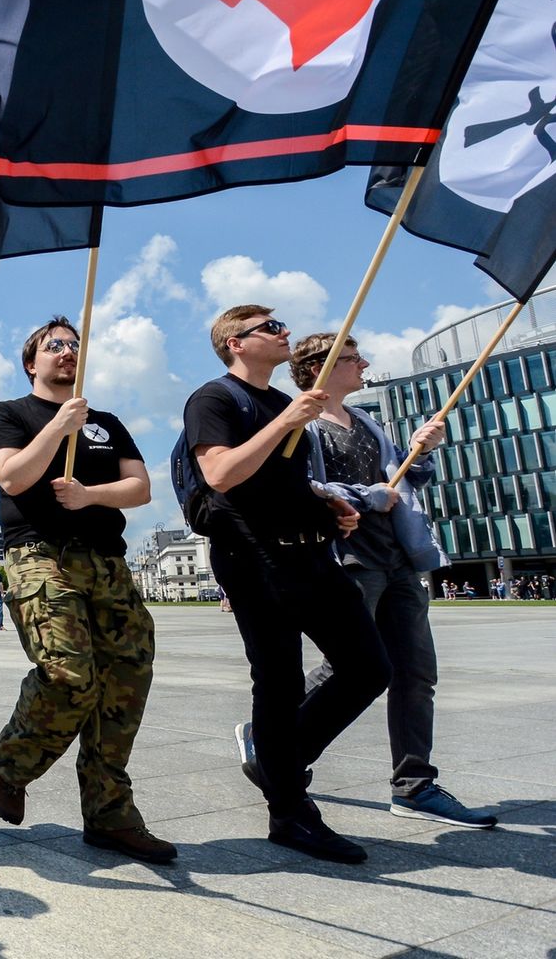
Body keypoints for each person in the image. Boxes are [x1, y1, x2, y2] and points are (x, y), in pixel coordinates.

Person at [184, 306, 390, 864]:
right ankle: (291, 812)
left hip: (312, 554)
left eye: (282, 326)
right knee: (276, 679)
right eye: (270, 329)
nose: (284, 334)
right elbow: (221, 473)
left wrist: (330, 506)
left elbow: (286, 483)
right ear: (235, 343)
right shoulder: (216, 399)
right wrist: (287, 423)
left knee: (371, 667)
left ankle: (276, 761)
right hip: (254, 559)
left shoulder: (283, 403)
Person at [0, 316, 173, 863]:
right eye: (54, 346)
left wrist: (90, 495)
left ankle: (110, 814)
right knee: (68, 675)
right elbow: (13, 477)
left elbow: (139, 488)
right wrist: (58, 428)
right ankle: (12, 764)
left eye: (74, 345)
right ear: (31, 362)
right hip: (41, 556)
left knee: (124, 681)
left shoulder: (106, 422)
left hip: (106, 561)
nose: (67, 352)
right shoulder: (10, 415)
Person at [292, 334, 496, 829]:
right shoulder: (303, 425)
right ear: (322, 366)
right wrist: (366, 496)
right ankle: (279, 742)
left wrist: (420, 452)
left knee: (417, 673)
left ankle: (414, 784)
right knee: (349, 666)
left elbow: (401, 478)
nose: (364, 364)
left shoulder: (364, 419)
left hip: (398, 557)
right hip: (351, 559)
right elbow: (310, 488)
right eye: (353, 358)